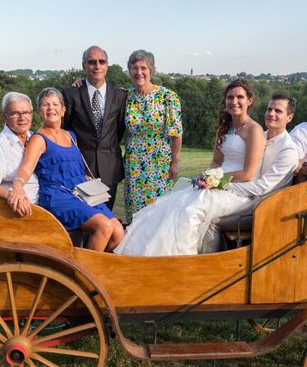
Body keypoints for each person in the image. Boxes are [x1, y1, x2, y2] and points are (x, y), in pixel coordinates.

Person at [114, 79, 267, 256]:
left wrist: (215, 181)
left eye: (240, 97)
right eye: (230, 97)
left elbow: (248, 173)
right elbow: (217, 162)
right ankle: (150, 255)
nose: (234, 101)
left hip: (239, 189)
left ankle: (186, 261)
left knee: (189, 209)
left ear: (250, 100)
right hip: (217, 184)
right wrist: (207, 175)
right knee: (170, 203)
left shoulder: (254, 130)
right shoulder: (225, 128)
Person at [8, 87, 124, 252]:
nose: (51, 108)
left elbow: (70, 165)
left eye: (55, 104)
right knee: (104, 226)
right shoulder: (38, 139)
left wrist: (84, 176)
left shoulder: (71, 136)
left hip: (82, 192)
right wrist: (18, 185)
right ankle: (83, 273)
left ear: (63, 110)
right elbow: (26, 168)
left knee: (117, 231)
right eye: (45, 104)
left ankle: (95, 265)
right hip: (58, 195)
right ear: (39, 111)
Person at [200, 94, 300, 253]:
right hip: (245, 196)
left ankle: (214, 269)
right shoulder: (259, 134)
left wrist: (223, 185)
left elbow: (262, 188)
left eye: (278, 111)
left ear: (289, 117)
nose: (271, 114)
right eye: (269, 109)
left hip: (264, 207)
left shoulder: (288, 150)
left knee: (209, 220)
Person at [62, 46, 127, 210]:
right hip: (80, 168)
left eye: (101, 61)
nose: (97, 66)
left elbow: (118, 130)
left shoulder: (120, 95)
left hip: (109, 166)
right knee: (83, 219)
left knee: (107, 217)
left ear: (107, 65)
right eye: (91, 62)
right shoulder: (71, 94)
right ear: (84, 65)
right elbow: (64, 131)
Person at [124, 49, 183, 223]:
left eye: (143, 67)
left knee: (158, 213)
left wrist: (175, 162)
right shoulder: (125, 96)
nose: (139, 72)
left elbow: (176, 134)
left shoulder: (167, 97)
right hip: (134, 164)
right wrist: (80, 82)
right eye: (134, 68)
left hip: (160, 165)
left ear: (151, 70)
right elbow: (103, 92)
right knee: (135, 215)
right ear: (129, 71)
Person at [0, 92, 39, 217]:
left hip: (45, 202)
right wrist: (12, 196)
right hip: (22, 210)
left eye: (26, 113)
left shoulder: (35, 137)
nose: (22, 118)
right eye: (15, 113)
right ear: (4, 117)